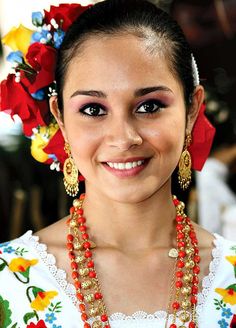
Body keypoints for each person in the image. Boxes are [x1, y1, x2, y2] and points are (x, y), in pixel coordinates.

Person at [0, 1, 236, 327]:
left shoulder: (230, 273)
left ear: (191, 110)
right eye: (94, 110)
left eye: (149, 105)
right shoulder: (10, 280)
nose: (123, 138)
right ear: (61, 118)